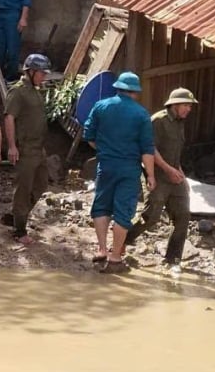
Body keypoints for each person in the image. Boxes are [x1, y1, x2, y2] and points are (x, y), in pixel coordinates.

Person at [82, 72, 156, 274]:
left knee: (101, 206)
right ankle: (115, 258)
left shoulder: (101, 106)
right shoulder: (141, 114)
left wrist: (104, 150)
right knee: (123, 212)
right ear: (135, 92)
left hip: (106, 165)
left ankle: (102, 250)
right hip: (129, 169)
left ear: (117, 88)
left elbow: (88, 135)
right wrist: (150, 175)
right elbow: (147, 148)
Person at [126, 88, 197, 271]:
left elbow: (175, 153)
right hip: (157, 174)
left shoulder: (180, 123)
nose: (189, 109)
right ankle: (123, 241)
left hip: (174, 175)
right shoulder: (158, 121)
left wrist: (182, 176)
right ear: (174, 105)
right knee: (151, 216)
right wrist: (167, 169)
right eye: (186, 105)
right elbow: (150, 148)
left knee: (183, 216)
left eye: (190, 106)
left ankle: (173, 260)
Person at [0, 53, 51, 244]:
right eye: (41, 73)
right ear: (31, 72)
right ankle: (19, 230)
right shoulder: (18, 92)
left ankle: (15, 216)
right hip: (26, 148)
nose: (44, 77)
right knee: (24, 188)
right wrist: (12, 146)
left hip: (39, 147)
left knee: (41, 184)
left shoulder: (35, 90)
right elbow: (9, 118)